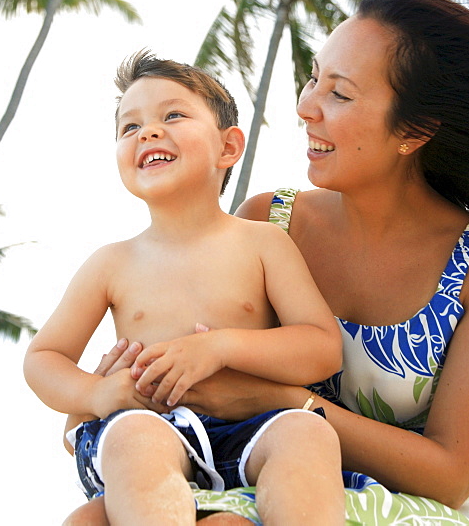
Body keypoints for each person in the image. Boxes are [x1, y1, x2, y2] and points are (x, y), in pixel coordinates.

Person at [66, 0, 469, 525]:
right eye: (313, 79)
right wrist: (107, 391)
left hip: (415, 504)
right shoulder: (270, 221)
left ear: (414, 131)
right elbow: (189, 365)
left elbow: (450, 476)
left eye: (339, 94)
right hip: (261, 474)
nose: (305, 107)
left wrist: (285, 401)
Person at [23, 51, 345, 525]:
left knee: (308, 433)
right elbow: (42, 358)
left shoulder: (263, 243)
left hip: (248, 428)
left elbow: (321, 347)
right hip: (145, 421)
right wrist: (96, 395)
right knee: (137, 440)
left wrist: (220, 347)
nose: (148, 132)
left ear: (228, 148)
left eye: (172, 115)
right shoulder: (111, 263)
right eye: (130, 128)